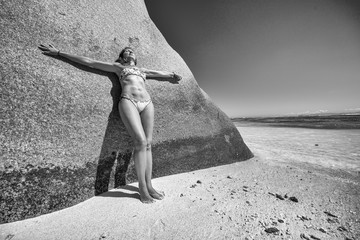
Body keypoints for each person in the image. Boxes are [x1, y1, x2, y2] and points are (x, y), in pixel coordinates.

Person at [38, 44, 182, 203]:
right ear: (122, 57)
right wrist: (59, 52)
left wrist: (172, 75)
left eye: (132, 51)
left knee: (148, 143)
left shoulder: (143, 70)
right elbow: (90, 62)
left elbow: (160, 73)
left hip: (147, 103)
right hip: (129, 101)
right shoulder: (118, 67)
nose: (130, 52)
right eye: (127, 51)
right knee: (140, 142)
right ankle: (142, 188)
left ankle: (149, 185)